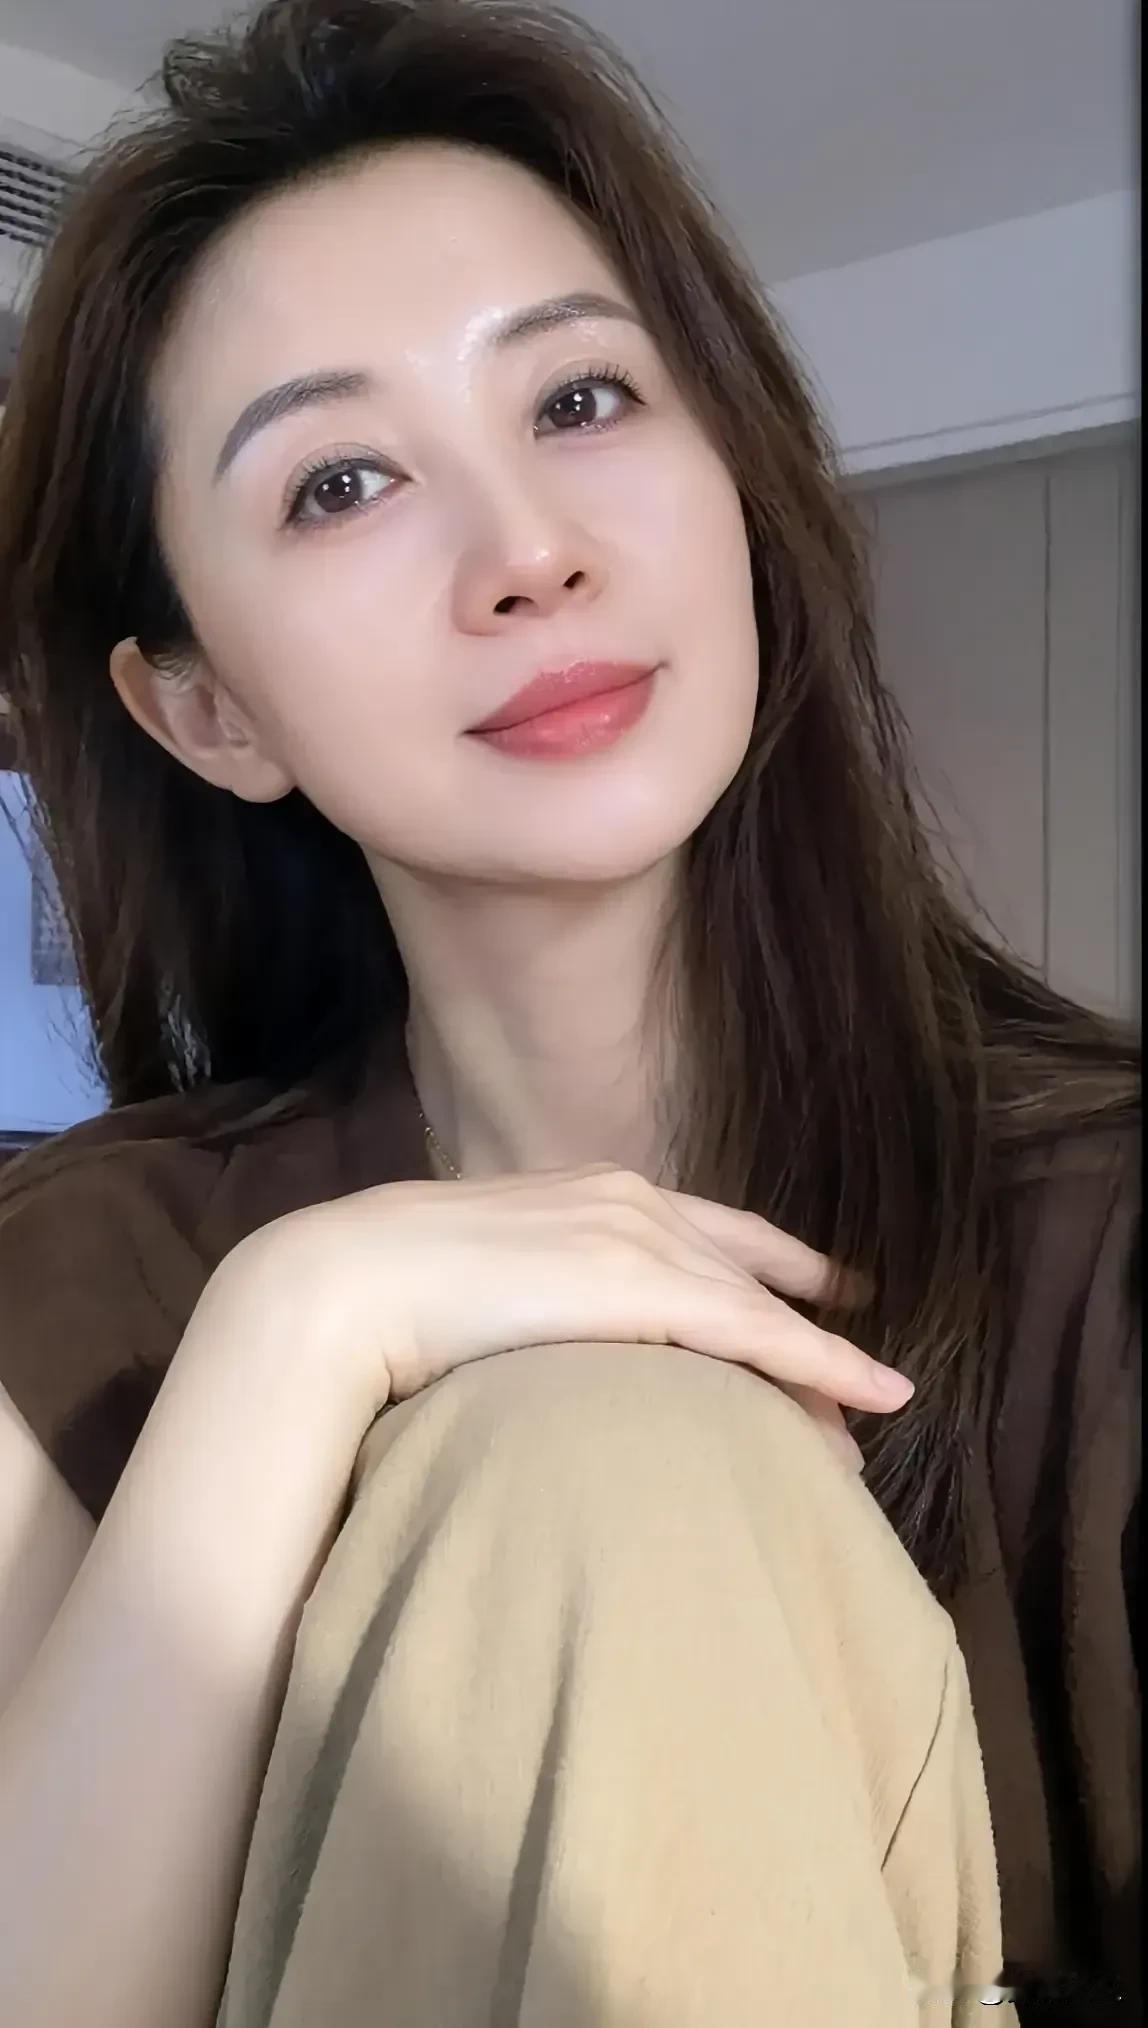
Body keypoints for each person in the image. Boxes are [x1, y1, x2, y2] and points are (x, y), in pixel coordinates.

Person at [0, 1, 1137, 2022]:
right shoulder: (93, 1283)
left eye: (583, 398)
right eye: (342, 482)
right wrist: (294, 1336)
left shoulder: (1105, 1240)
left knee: (608, 1460)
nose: (528, 555)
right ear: (207, 709)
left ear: (739, 482)